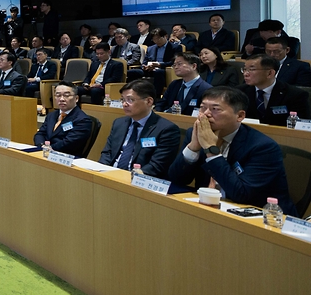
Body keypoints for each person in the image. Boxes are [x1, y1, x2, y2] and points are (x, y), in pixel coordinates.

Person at [169, 87, 297, 215]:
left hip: (263, 218)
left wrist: (211, 150)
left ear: (240, 116)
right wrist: (193, 147)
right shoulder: (196, 134)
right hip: (209, 210)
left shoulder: (263, 147)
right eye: (202, 108)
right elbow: (176, 179)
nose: (206, 114)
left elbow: (241, 194)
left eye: (215, 109)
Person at [98, 80, 181, 178]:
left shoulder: (166, 129)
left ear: (149, 101)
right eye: (123, 100)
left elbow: (157, 166)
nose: (124, 104)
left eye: (130, 100)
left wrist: (130, 177)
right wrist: (101, 170)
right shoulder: (119, 123)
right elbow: (107, 153)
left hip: (140, 180)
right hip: (111, 175)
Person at [238, 54, 311, 126]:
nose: (245, 74)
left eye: (251, 69)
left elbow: (302, 125)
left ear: (270, 73)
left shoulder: (295, 95)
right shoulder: (239, 92)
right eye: (245, 69)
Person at [34, 82, 93, 158]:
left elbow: (69, 143)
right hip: (45, 153)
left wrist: (50, 148)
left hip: (66, 159)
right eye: (58, 95)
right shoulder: (51, 115)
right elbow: (40, 134)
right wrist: (41, 146)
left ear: (76, 98)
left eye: (66, 95)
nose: (61, 99)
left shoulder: (83, 120)